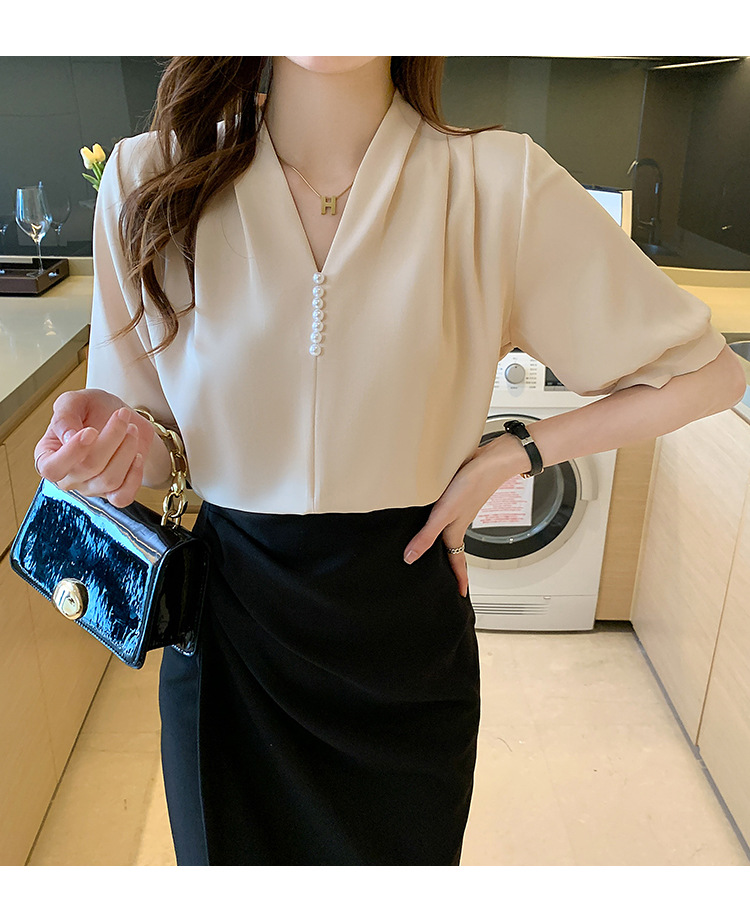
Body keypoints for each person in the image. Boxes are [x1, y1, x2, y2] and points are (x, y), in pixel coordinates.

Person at [33, 56, 745, 866]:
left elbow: (710, 373)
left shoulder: (495, 182)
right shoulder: (151, 177)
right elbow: (153, 437)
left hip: (406, 658)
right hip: (232, 647)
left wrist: (513, 453)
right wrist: (117, 448)